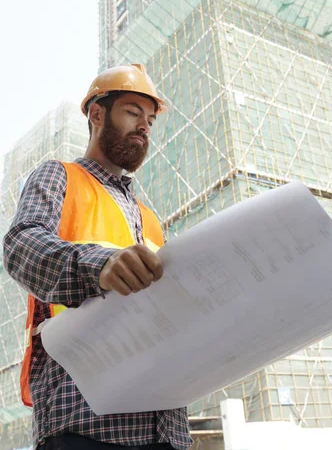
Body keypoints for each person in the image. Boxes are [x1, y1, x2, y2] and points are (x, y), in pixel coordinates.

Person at [3, 64, 192, 450]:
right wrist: (100, 265)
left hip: (164, 422)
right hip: (86, 419)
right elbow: (21, 245)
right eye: (132, 112)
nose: (144, 126)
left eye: (150, 121)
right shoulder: (59, 176)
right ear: (96, 114)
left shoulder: (150, 220)